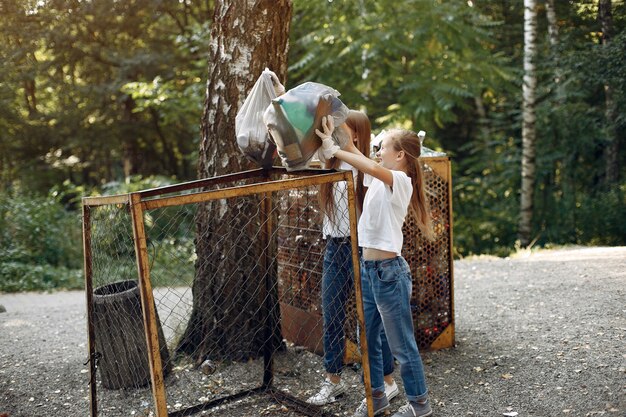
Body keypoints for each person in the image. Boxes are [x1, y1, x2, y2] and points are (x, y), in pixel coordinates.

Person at [316, 116, 435, 417]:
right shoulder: (379, 179)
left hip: (389, 273)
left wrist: (335, 150)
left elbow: (367, 165)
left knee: (401, 345)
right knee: (367, 339)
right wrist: (335, 139)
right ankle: (377, 397)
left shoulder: (401, 181)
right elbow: (361, 159)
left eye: (384, 148)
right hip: (369, 271)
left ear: (400, 156)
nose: (378, 151)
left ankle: (420, 406)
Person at [307, 110, 399, 406]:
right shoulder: (329, 158)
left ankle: (386, 382)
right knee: (332, 313)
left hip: (363, 249)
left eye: (340, 128)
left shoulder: (365, 165)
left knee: (368, 321)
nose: (333, 132)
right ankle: (332, 380)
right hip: (335, 247)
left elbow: (368, 165)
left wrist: (344, 148)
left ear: (356, 135)